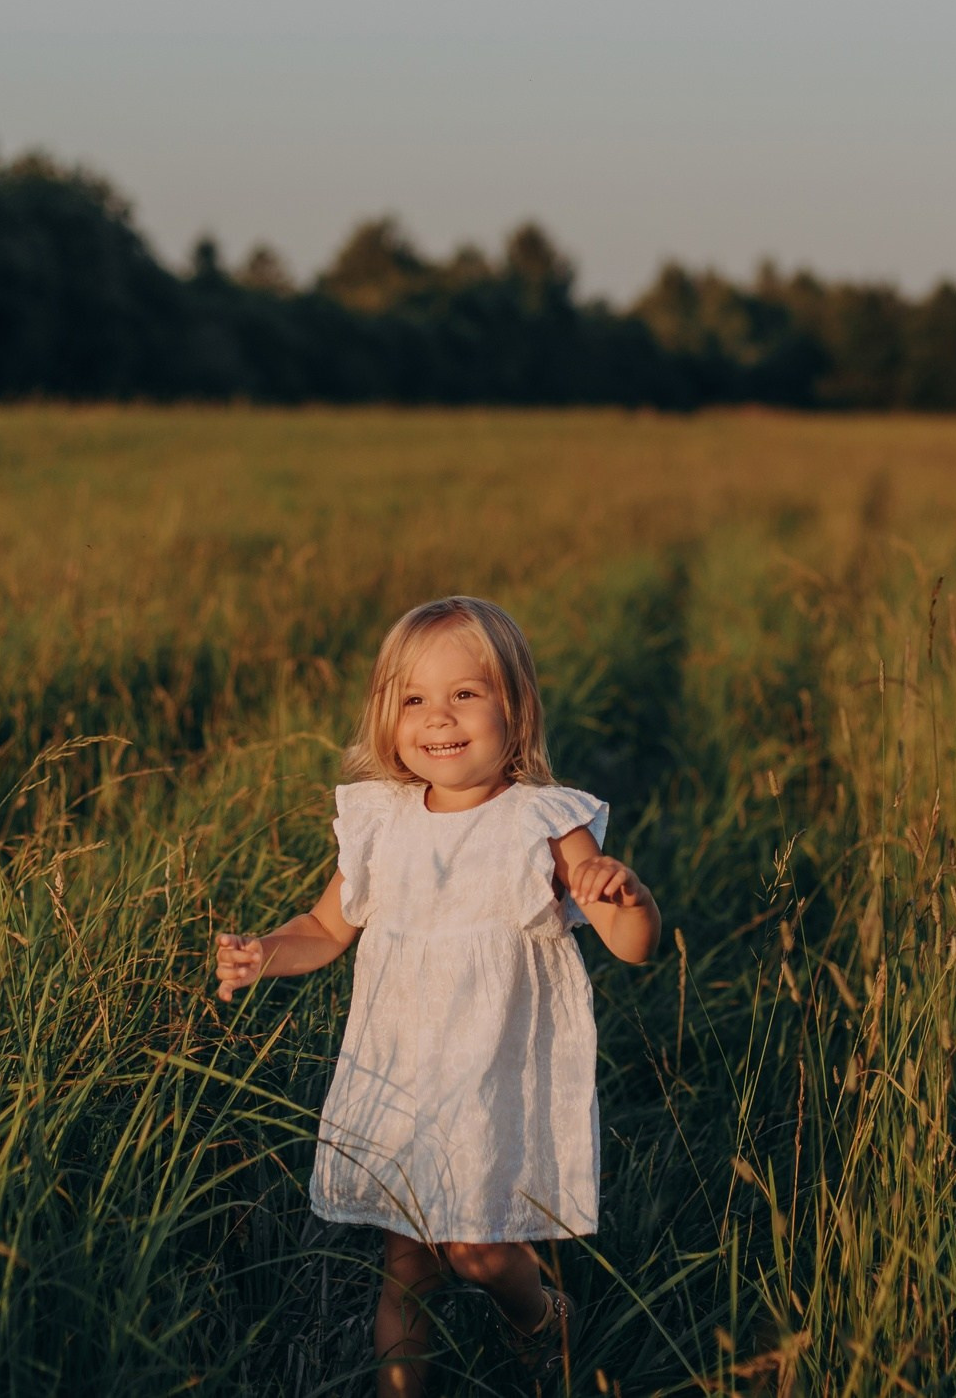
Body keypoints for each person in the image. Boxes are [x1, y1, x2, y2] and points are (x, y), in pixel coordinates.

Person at [216, 595, 663, 1395]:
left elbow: (634, 945)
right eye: (414, 698)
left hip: (495, 1074)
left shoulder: (543, 822)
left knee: (478, 1250)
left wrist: (626, 895)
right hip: (403, 1072)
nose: (438, 717)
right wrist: (263, 953)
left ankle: (541, 1318)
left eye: (465, 693)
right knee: (408, 1263)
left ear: (514, 708)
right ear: (387, 716)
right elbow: (325, 926)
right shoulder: (384, 822)